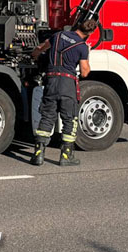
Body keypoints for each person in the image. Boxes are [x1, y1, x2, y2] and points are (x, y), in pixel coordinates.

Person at [30, 19, 97, 167]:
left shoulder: (58, 35)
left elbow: (41, 47)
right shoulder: (82, 47)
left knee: (47, 117)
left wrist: (35, 55)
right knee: (69, 119)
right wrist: (87, 53)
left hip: (51, 82)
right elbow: (85, 72)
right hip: (67, 84)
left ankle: (38, 155)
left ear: (78, 26)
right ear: (90, 33)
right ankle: (66, 156)